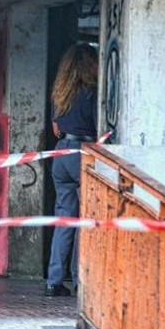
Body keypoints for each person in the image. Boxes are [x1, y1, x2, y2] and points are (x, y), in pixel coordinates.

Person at [46, 44, 98, 297]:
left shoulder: (60, 94)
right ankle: (79, 280)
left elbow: (55, 128)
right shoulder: (91, 93)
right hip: (82, 152)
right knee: (85, 218)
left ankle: (54, 280)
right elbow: (100, 127)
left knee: (64, 218)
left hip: (60, 152)